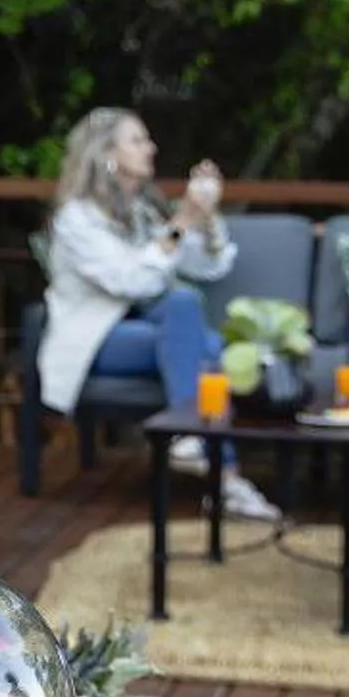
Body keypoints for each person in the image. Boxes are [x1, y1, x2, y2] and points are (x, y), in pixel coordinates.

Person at [36, 105, 280, 521]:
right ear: (107, 155)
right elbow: (131, 281)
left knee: (193, 321)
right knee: (212, 344)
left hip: (152, 337)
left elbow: (208, 266)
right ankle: (220, 468)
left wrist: (206, 216)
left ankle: (217, 467)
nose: (151, 148)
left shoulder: (141, 212)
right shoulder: (77, 219)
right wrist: (181, 221)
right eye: (138, 140)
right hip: (95, 342)